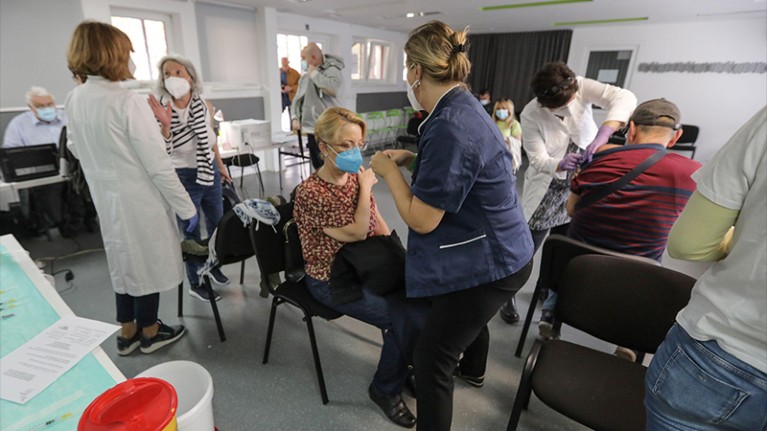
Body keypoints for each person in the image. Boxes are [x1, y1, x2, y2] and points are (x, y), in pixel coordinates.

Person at [370, 21, 534, 431]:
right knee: (447, 334)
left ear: (416, 71)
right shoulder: (459, 107)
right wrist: (415, 162)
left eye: (407, 66)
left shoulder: (450, 125)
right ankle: (470, 368)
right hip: (501, 248)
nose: (407, 75)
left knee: (432, 360)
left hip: (492, 262)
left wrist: (388, 173)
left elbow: (422, 220)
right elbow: (462, 172)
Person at [66, 21, 196, 355]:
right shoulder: (128, 101)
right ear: (113, 54)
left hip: (107, 199)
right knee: (146, 264)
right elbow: (158, 165)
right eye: (128, 52)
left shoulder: (75, 98)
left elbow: (76, 148)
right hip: (139, 200)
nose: (132, 59)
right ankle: (150, 332)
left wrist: (107, 163)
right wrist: (187, 208)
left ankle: (127, 332)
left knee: (124, 262)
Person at [538, 98, 701, 344]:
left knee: (566, 246)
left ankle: (551, 313)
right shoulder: (692, 173)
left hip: (579, 266)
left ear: (632, 129)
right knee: (655, 257)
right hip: (636, 272)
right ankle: (630, 345)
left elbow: (570, 210)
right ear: (675, 137)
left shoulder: (598, 157)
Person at [644, 106, 767, 430]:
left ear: (631, 129)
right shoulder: (685, 169)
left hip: (723, 353)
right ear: (677, 134)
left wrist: (741, 244)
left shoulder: (603, 159)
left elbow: (689, 244)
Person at [293, 107, 416, 428]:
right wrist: (365, 188)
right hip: (330, 279)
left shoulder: (351, 178)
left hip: (365, 266)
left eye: (359, 144)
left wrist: (401, 258)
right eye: (345, 145)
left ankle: (400, 366)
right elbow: (358, 231)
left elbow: (376, 224)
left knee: (419, 299)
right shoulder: (311, 192)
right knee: (402, 319)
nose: (355, 153)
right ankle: (384, 388)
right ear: (323, 146)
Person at [498, 61, 636, 325]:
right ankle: (508, 293)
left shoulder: (581, 86)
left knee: (563, 248)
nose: (569, 107)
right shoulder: (530, 114)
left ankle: (546, 291)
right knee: (526, 247)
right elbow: (536, 158)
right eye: (559, 106)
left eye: (572, 101)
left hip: (580, 184)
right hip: (549, 186)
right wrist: (559, 164)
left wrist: (603, 134)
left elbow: (625, 97)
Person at [148, 54, 233, 303]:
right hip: (183, 174)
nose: (173, 78)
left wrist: (221, 166)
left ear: (190, 76)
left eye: (178, 72)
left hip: (209, 171)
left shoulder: (204, 105)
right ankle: (196, 282)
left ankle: (213, 265)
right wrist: (165, 126)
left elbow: (211, 140)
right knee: (191, 230)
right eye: (167, 74)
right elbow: (160, 148)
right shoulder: (160, 107)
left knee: (218, 224)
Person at [2, 86, 68, 237]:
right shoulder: (18, 124)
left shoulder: (66, 117)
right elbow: (10, 153)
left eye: (49, 104)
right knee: (50, 190)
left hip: (72, 167)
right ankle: (56, 223)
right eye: (40, 106)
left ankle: (84, 221)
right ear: (30, 108)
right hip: (41, 173)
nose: (47, 108)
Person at [291, 43, 344, 170]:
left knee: (331, 166)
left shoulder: (332, 69)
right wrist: (294, 117)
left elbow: (333, 89)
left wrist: (314, 74)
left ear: (313, 57)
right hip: (311, 129)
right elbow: (298, 99)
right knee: (318, 166)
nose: (302, 61)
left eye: (304, 58)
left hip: (329, 128)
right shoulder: (305, 76)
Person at [491, 98, 523, 174]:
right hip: (492, 156)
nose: (500, 110)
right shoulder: (492, 122)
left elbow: (518, 142)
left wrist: (505, 139)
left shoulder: (514, 124)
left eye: (503, 108)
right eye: (498, 108)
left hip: (506, 158)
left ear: (509, 110)